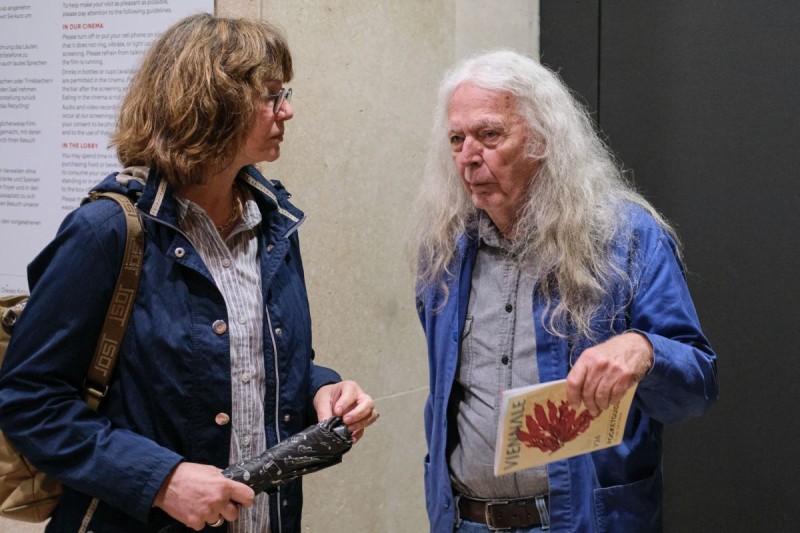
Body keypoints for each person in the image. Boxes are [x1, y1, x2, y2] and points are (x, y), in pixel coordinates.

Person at [0, 13, 378, 533]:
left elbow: (253, 364)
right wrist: (162, 479)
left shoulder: (274, 224)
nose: (287, 110)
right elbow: (28, 399)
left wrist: (322, 390)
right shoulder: (107, 232)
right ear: (213, 102)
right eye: (271, 95)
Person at [412, 50, 718, 532]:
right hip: (464, 520)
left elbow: (697, 386)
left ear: (541, 138)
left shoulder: (626, 237)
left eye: (490, 134)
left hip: (583, 522)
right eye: (457, 139)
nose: (469, 157)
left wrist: (644, 350)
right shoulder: (445, 256)